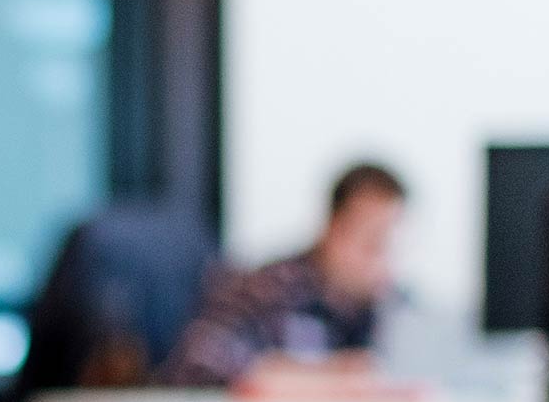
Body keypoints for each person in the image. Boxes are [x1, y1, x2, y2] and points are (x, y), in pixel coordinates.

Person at [160, 164, 409, 388]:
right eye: (373, 244)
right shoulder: (271, 288)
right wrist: (323, 376)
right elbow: (194, 360)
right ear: (333, 229)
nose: (385, 264)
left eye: (395, 248)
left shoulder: (391, 306)